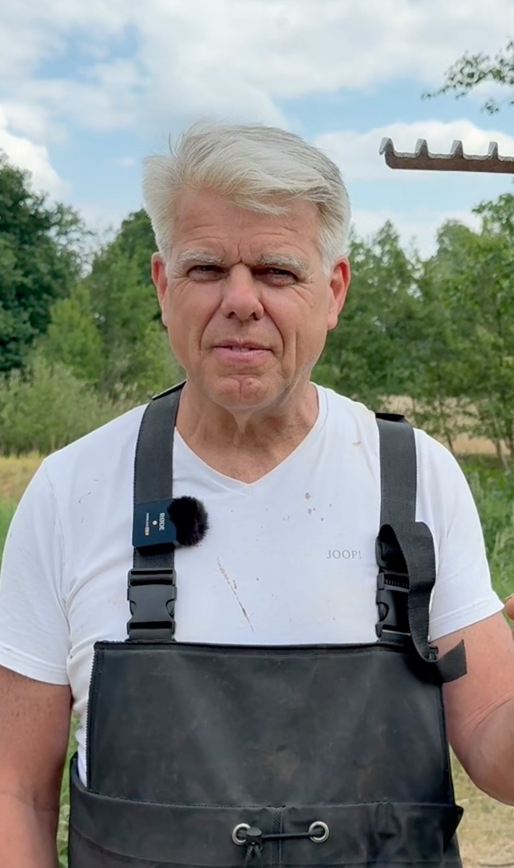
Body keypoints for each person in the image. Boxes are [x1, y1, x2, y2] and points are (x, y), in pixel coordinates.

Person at [0, 121, 513, 868]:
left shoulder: (417, 480)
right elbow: (14, 789)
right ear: (163, 286)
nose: (241, 300)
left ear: (333, 291)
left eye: (276, 271)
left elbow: (497, 746)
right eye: (207, 268)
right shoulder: (70, 492)